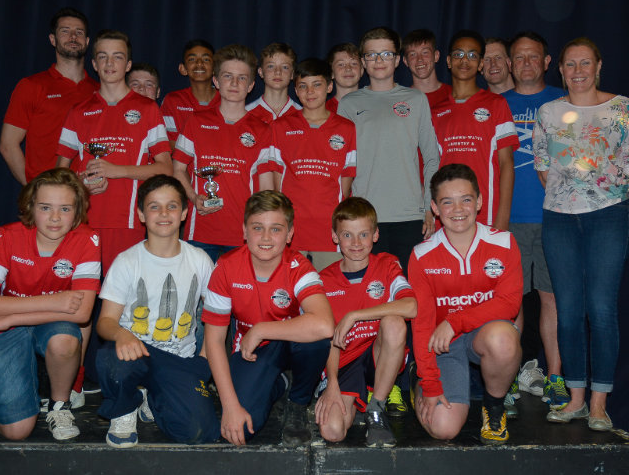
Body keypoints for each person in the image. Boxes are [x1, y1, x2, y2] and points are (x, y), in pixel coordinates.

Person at [535, 37, 629, 431]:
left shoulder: (622, 108)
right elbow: (543, 166)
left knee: (600, 309)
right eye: (570, 64)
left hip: (608, 217)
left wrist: (605, 201)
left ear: (598, 67)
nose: (577, 71)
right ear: (560, 70)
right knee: (567, 312)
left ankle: (599, 403)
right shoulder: (548, 112)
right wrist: (570, 201)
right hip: (560, 220)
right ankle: (576, 398)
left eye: (585, 63)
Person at [0, 168, 101, 441]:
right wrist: (55, 301)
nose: (55, 217)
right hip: (22, 325)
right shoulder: (7, 236)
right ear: (30, 207)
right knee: (17, 431)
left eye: (65, 209)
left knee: (65, 338)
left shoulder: (87, 239)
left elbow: (82, 313)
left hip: (25, 320)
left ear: (77, 211)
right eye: (45, 207)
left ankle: (60, 405)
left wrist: (10, 317)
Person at [95, 175, 219, 448]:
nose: (164, 213)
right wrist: (122, 334)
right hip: (135, 351)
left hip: (179, 360)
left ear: (184, 213)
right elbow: (105, 322)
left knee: (199, 431)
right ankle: (124, 409)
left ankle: (154, 399)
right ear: (141, 214)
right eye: (154, 207)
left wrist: (204, 359)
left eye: (172, 206)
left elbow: (216, 317)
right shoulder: (127, 261)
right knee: (110, 358)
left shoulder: (199, 260)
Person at [203, 191, 335, 446]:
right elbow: (214, 341)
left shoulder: (299, 268)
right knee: (243, 429)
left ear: (289, 234)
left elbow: (324, 325)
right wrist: (229, 406)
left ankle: (298, 403)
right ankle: (280, 383)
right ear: (244, 231)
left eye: (275, 229)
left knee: (316, 341)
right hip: (251, 352)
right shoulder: (226, 267)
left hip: (291, 344)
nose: (265, 237)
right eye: (257, 228)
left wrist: (261, 329)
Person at [409, 163, 522, 444]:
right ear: (435, 208)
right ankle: (415, 380)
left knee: (503, 338)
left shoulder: (504, 242)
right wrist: (431, 383)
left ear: (479, 202)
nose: (458, 209)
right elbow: (422, 325)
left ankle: (494, 407)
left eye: (466, 199)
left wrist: (455, 321)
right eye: (447, 202)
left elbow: (509, 304)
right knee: (444, 429)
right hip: (442, 345)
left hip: (482, 335)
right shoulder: (421, 255)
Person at [57, 29, 173, 273]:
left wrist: (116, 171)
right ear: (94, 64)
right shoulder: (78, 111)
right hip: (83, 219)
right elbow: (60, 173)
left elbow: (166, 168)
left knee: (124, 294)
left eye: (117, 57)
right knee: (81, 293)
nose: (110, 63)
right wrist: (81, 182)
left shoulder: (148, 109)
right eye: (103, 57)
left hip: (128, 222)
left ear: (128, 65)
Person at [337, 26, 440, 276]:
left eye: (386, 54)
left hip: (410, 215)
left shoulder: (416, 100)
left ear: (396, 60)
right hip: (364, 216)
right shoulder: (349, 104)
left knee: (408, 288)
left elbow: (431, 157)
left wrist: (428, 207)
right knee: (369, 289)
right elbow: (340, 164)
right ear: (363, 62)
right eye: (372, 55)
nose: (379, 60)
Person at [315, 197, 416, 447]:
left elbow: (411, 306)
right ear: (335, 237)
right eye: (347, 235)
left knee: (394, 323)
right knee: (333, 431)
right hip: (344, 361)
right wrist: (332, 384)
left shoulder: (387, 264)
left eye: (363, 234)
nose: (356, 243)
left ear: (375, 234)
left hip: (377, 356)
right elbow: (328, 339)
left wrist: (355, 315)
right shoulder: (323, 280)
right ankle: (354, 400)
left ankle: (376, 409)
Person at [502, 31, 568, 412]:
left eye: (533, 57)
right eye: (519, 57)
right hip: (508, 220)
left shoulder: (564, 101)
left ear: (546, 62)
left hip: (553, 218)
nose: (526, 63)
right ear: (510, 64)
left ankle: (555, 377)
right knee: (510, 301)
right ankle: (509, 375)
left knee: (551, 298)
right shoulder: (497, 104)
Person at [172, 44, 273, 263]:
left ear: (251, 85)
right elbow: (177, 169)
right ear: (216, 81)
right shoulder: (195, 122)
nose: (234, 83)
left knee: (238, 287)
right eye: (228, 76)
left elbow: (266, 187)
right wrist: (193, 197)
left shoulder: (263, 130)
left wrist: (260, 225)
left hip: (243, 233)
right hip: (200, 231)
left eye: (242, 78)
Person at [264, 58, 356, 270]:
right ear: (296, 90)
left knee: (329, 287)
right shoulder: (280, 127)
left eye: (317, 84)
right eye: (303, 86)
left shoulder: (346, 128)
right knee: (288, 287)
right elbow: (276, 179)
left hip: (329, 229)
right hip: (292, 228)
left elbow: (346, 182)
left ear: (329, 86)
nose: (310, 92)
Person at [0, 7, 99, 185]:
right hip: (47, 194)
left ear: (87, 41)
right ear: (53, 39)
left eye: (79, 32)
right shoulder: (31, 86)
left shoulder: (99, 91)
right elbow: (8, 145)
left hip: (89, 193)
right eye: (65, 31)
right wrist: (34, 189)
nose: (73, 37)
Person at [438, 30, 518, 231]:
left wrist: (502, 219)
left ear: (481, 64)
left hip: (487, 216)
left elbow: (507, 164)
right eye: (458, 54)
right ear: (448, 61)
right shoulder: (434, 112)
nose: (465, 60)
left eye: (472, 55)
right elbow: (430, 167)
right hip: (446, 217)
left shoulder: (497, 104)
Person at [160, 39, 221, 145]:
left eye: (206, 59)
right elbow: (168, 144)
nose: (199, 63)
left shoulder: (227, 100)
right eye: (192, 59)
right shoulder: (173, 101)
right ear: (183, 69)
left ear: (215, 68)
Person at [246, 43, 302, 123]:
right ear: (261, 72)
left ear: (292, 74)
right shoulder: (246, 114)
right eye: (271, 66)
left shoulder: (303, 116)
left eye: (285, 67)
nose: (278, 72)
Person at [402, 29, 451, 110]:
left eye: (425, 52)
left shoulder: (455, 95)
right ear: (405, 61)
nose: (419, 59)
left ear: (436, 56)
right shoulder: (401, 102)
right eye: (413, 54)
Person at [325, 42, 363, 113]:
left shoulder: (374, 106)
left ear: (361, 70)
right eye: (341, 64)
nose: (348, 68)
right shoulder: (323, 111)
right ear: (331, 73)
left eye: (354, 63)